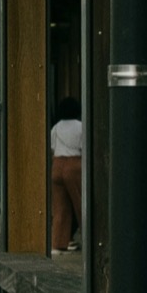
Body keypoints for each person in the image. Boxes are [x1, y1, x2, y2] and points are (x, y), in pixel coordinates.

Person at [46, 99, 86, 251]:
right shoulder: (80, 126)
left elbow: (52, 146)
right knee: (81, 205)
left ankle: (58, 244)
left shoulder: (56, 127)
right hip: (74, 164)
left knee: (60, 208)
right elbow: (84, 146)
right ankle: (89, 241)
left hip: (57, 165)